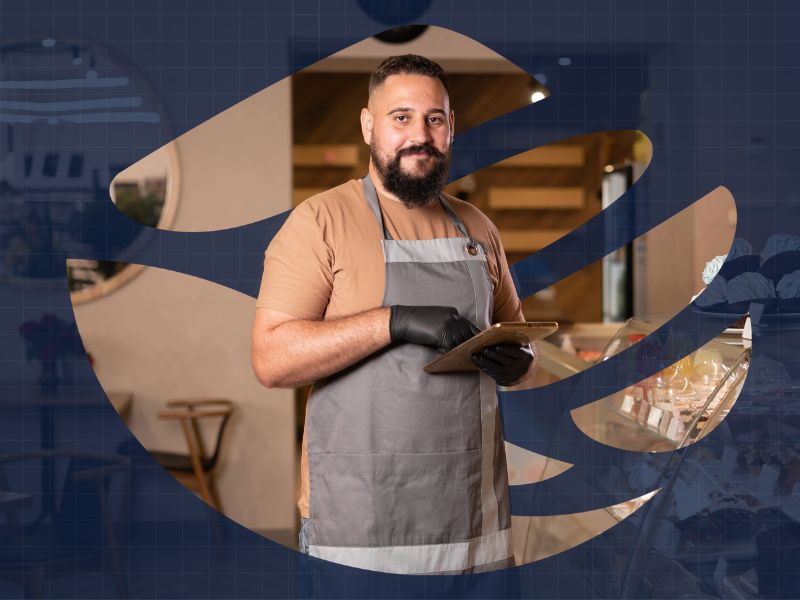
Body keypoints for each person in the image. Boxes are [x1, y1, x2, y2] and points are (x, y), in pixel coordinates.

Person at [251, 54, 534, 575]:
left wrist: (522, 361)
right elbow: (271, 360)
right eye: (400, 117)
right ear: (368, 126)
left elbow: (517, 335)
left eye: (434, 119)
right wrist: (393, 321)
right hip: (363, 526)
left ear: (452, 128)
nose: (419, 135)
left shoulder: (478, 228)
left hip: (474, 522)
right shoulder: (320, 221)